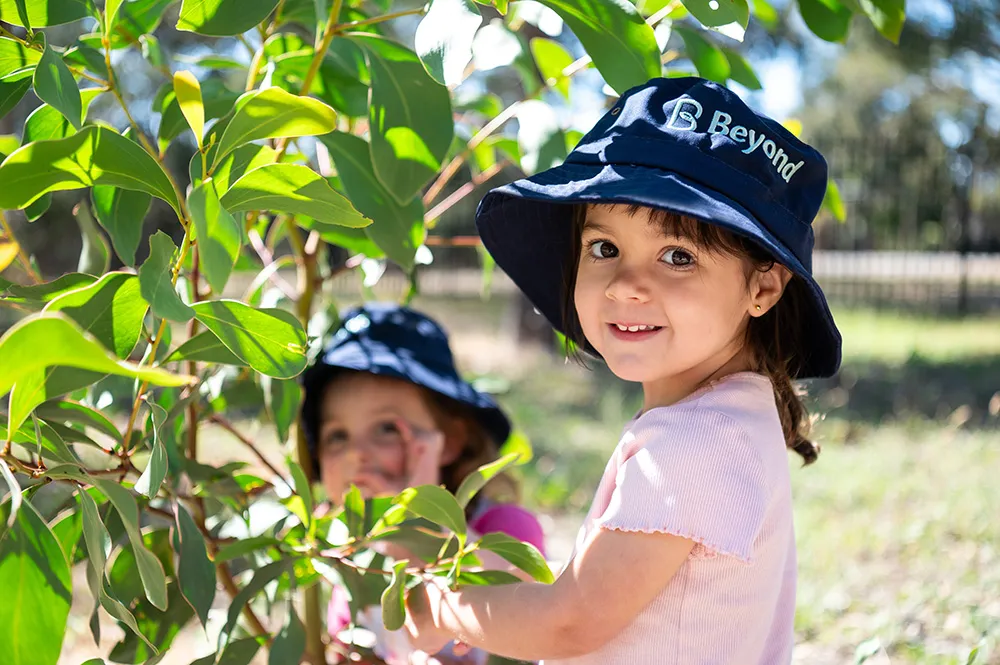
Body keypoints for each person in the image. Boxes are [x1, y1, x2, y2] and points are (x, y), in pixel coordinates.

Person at [401, 77, 843, 664]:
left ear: (762, 285)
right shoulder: (731, 414)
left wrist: (441, 608)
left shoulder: (693, 444)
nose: (628, 285)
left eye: (678, 256)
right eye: (604, 248)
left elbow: (569, 624)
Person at [300, 302, 546, 665]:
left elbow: (519, 602)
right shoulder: (347, 565)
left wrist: (422, 516)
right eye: (337, 436)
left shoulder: (502, 529)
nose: (356, 454)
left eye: (386, 428)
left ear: (448, 439)